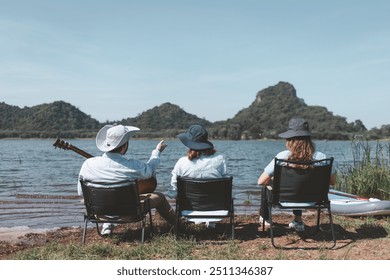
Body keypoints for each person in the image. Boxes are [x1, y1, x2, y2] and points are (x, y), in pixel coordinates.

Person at [77, 124, 176, 235]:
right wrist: (157, 152)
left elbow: (81, 192)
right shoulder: (132, 165)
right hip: (129, 212)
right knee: (160, 197)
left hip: (98, 213)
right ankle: (179, 225)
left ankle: (107, 224)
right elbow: (149, 171)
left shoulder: (88, 164)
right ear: (124, 146)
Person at [257, 117, 336, 232]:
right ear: (309, 139)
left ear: (289, 140)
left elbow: (261, 181)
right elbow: (333, 182)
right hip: (314, 200)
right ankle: (298, 221)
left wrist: (276, 182)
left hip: (284, 199)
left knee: (266, 188)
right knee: (302, 184)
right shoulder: (321, 157)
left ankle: (266, 219)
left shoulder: (282, 157)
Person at [168, 124, 228, 228]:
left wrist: (172, 195)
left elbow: (173, 189)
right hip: (217, 211)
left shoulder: (182, 162)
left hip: (188, 211)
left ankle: (198, 220)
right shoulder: (220, 159)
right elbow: (226, 186)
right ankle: (210, 222)